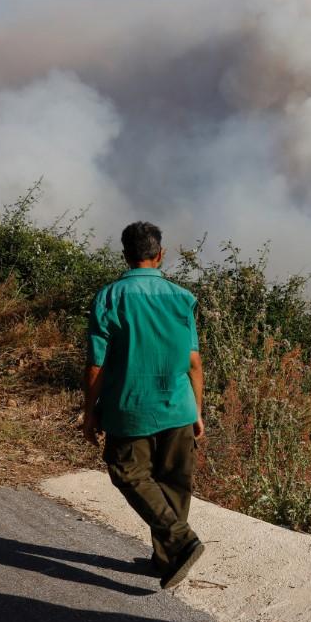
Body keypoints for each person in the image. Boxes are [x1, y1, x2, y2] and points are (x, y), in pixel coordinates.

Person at [82, 221, 206, 590]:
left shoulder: (109, 297)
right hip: (179, 406)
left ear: (125, 255)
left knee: (125, 469)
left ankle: (180, 543)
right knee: (173, 481)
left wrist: (90, 411)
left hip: (131, 407)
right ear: (160, 253)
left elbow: (96, 365)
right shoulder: (181, 298)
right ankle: (168, 557)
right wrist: (198, 411)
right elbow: (194, 362)